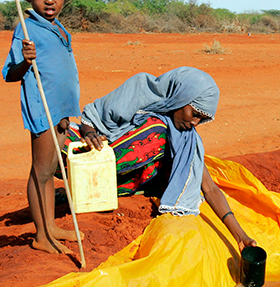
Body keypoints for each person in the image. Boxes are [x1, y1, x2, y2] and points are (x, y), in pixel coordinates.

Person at [76, 67, 257, 252]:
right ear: (181, 97)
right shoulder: (139, 89)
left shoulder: (185, 138)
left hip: (121, 188)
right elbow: (93, 118)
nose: (195, 123)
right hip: (96, 159)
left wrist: (240, 236)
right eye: (194, 114)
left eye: (201, 119)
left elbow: (209, 188)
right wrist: (90, 133)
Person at [3, 0, 81, 255]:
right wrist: (25, 60)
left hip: (60, 110)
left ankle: (50, 226)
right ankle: (40, 235)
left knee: (51, 169)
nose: (50, 1)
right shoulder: (27, 29)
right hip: (42, 109)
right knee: (41, 171)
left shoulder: (58, 27)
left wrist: (67, 114)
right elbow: (10, 73)